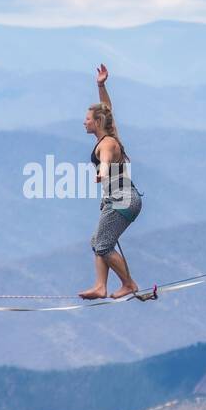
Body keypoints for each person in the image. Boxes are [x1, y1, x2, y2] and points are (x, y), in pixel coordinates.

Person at [78, 64, 143, 299]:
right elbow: (108, 110)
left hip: (122, 200)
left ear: (96, 122)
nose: (83, 122)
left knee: (103, 245)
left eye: (87, 119)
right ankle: (100, 286)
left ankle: (128, 284)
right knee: (97, 241)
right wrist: (101, 85)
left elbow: (104, 160)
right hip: (123, 199)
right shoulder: (110, 133)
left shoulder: (106, 143)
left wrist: (102, 172)